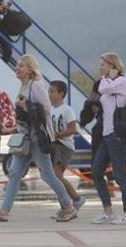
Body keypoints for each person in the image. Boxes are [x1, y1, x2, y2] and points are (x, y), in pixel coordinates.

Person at [0, 57, 77, 223]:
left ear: (30, 69)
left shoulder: (36, 85)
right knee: (15, 174)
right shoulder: (23, 86)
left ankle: (68, 206)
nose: (17, 68)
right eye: (17, 65)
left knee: (47, 175)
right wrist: (12, 128)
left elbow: (46, 110)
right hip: (24, 138)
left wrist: (27, 107)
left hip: (37, 139)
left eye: (21, 66)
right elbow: (25, 118)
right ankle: (4, 211)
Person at [91, 52, 126, 225]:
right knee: (96, 171)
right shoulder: (109, 82)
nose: (99, 67)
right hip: (106, 135)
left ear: (111, 65)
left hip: (118, 136)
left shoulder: (121, 81)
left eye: (102, 64)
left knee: (120, 176)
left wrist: (107, 77)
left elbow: (102, 88)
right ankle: (108, 211)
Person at [48, 80, 87, 215]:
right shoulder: (51, 109)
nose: (49, 94)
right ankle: (65, 206)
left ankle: (75, 199)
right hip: (54, 145)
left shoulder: (66, 110)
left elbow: (72, 129)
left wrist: (59, 134)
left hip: (64, 147)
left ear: (61, 94)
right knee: (55, 176)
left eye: (52, 91)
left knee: (57, 176)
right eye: (49, 91)